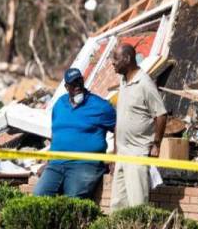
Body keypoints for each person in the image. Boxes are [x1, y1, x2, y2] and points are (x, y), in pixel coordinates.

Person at [34, 68, 116, 199]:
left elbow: (119, 128)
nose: (77, 86)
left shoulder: (100, 106)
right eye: (73, 83)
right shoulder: (59, 104)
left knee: (73, 200)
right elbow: (55, 134)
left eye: (79, 81)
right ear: (66, 87)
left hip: (85, 164)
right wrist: (49, 163)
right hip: (56, 164)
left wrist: (115, 158)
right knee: (39, 196)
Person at [109, 44, 167, 211]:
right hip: (122, 154)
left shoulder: (145, 84)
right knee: (117, 205)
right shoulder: (123, 81)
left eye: (116, 59)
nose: (113, 63)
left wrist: (156, 144)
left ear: (127, 59)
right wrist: (115, 153)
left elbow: (161, 115)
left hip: (137, 153)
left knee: (137, 205)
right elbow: (120, 120)